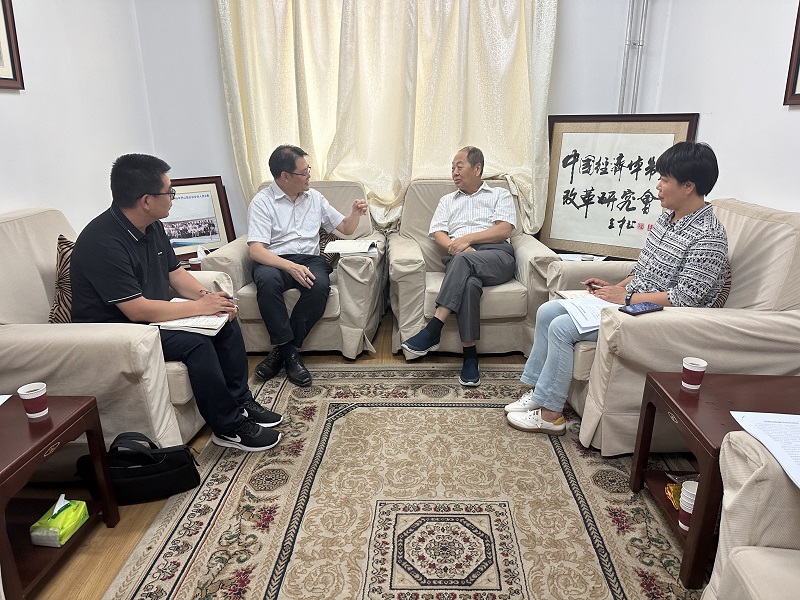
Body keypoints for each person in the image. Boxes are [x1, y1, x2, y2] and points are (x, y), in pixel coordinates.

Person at [505, 141, 729, 435]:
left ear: (688, 186)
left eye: (664, 180)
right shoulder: (667, 218)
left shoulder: (708, 236)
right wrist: (614, 288)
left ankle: (550, 415)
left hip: (660, 317)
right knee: (548, 311)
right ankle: (539, 392)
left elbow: (685, 299)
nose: (658, 186)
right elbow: (644, 270)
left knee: (562, 327)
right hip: (633, 302)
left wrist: (626, 296)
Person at [71, 153, 283, 453]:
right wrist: (199, 308)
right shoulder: (102, 241)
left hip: (150, 318)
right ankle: (228, 427)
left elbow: (176, 273)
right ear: (147, 200)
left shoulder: (152, 226)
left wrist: (209, 299)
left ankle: (241, 402)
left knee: (225, 319)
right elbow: (136, 309)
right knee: (195, 344)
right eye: (169, 192)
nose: (173, 197)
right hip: (118, 331)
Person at [248, 144, 367, 387]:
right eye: (304, 172)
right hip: (275, 260)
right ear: (285, 176)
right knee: (267, 282)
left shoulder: (315, 198)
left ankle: (282, 352)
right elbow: (256, 250)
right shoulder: (262, 202)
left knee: (319, 286)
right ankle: (290, 355)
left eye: (308, 170)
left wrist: (354, 213)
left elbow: (346, 228)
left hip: (310, 260)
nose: (309, 176)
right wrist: (289, 267)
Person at [401, 146, 517, 386]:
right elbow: (439, 234)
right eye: (452, 168)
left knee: (464, 263)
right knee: (470, 285)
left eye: (459, 167)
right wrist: (459, 248)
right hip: (460, 258)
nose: (454, 172)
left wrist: (468, 240)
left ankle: (434, 329)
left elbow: (504, 229)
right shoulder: (447, 201)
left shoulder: (499, 194)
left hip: (496, 257)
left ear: (477, 168)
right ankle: (470, 356)